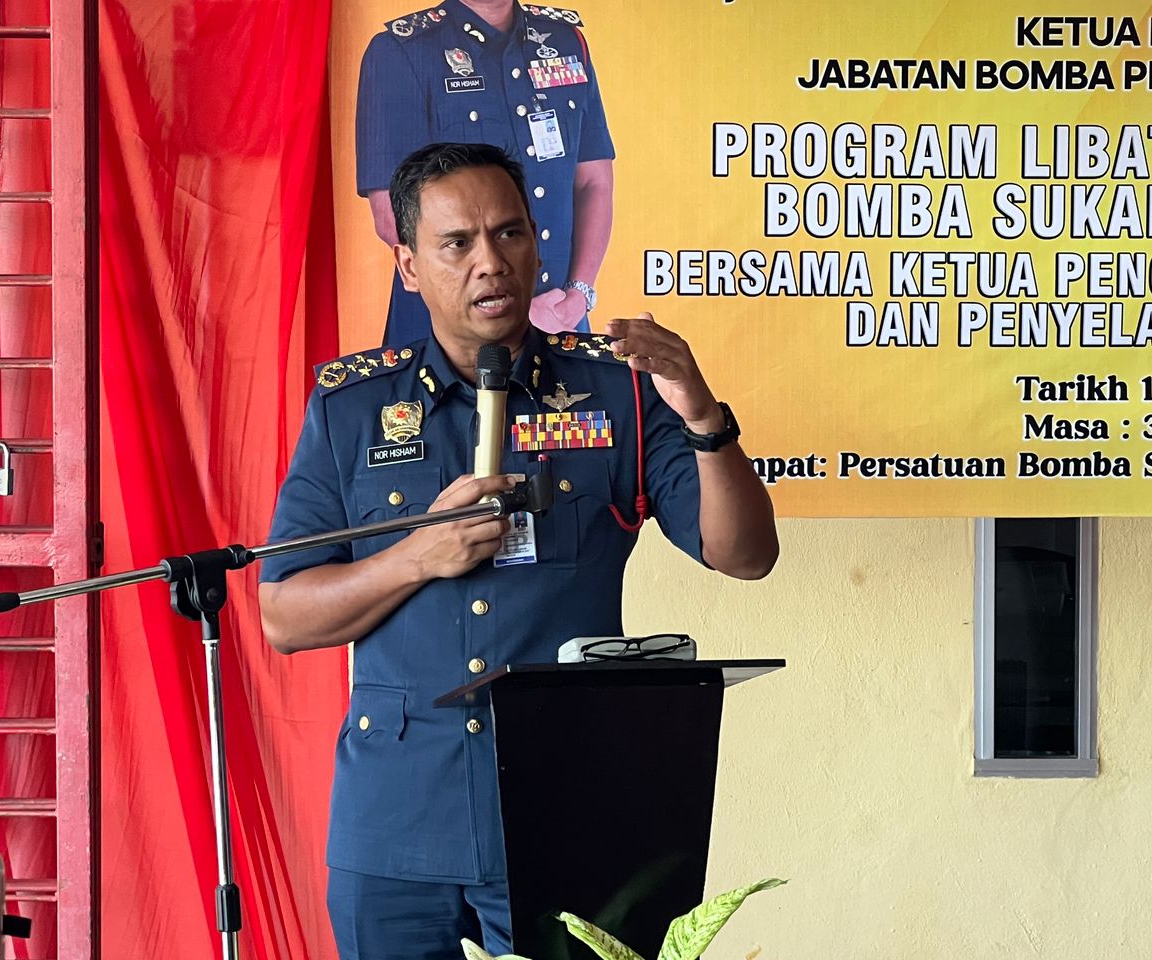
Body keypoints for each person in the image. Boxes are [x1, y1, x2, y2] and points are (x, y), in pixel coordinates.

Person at [259, 142, 778, 959]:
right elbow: (285, 617)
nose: (491, 262)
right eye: (457, 243)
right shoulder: (351, 409)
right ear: (408, 266)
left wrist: (704, 415)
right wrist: (417, 555)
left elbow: (744, 555)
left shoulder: (619, 391)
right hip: (399, 823)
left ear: (538, 245)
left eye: (510, 233)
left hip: (567, 812)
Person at [356, 1, 614, 344]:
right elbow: (392, 216)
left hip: (559, 318)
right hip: (449, 331)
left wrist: (578, 295)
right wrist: (506, 308)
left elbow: (594, 183)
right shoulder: (401, 51)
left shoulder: (565, 41)